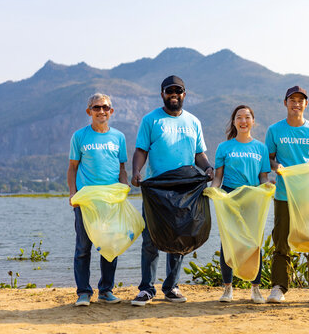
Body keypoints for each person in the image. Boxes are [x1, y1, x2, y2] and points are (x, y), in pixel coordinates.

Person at [130, 75, 214, 306]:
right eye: (170, 91)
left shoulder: (193, 122)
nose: (174, 95)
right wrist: (137, 171)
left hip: (184, 188)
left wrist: (207, 168)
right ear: (162, 94)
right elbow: (140, 150)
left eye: (178, 91)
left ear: (184, 94)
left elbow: (199, 154)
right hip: (157, 189)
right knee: (151, 238)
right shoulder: (151, 120)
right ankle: (146, 288)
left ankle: (171, 287)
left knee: (179, 237)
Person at [265, 85, 309, 303]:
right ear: (285, 103)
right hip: (284, 194)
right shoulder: (275, 130)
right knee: (282, 241)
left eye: (300, 100)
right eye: (292, 100)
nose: (296, 103)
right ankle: (279, 287)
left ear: (306, 104)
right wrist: (279, 168)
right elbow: (269, 159)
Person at [67, 93, 129, 307]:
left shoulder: (119, 137)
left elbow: (122, 169)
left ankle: (105, 290)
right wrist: (72, 193)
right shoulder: (79, 136)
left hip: (111, 202)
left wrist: (125, 186)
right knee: (83, 247)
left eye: (105, 107)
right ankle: (83, 292)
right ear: (89, 111)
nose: (101, 111)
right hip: (86, 201)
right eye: (96, 107)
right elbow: (73, 168)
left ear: (111, 111)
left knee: (109, 246)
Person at [210, 105, 271, 304]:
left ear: (253, 121)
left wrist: (267, 187)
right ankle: (228, 289)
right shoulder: (224, 147)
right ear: (234, 122)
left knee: (254, 244)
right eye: (239, 117)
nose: (243, 121)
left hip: (253, 199)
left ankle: (256, 289)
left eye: (247, 117)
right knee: (228, 243)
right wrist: (214, 190)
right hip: (230, 197)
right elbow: (218, 177)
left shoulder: (261, 148)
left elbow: (263, 177)